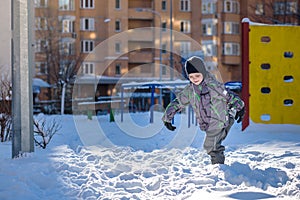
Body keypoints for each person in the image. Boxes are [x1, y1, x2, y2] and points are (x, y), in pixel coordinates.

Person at [162, 56, 245, 164]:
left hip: (220, 121)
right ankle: (231, 113)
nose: (194, 79)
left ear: (203, 73)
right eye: (191, 76)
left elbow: (228, 95)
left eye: (197, 75)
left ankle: (218, 168)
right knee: (212, 144)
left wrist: (240, 106)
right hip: (208, 124)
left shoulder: (214, 86)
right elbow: (178, 102)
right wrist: (167, 117)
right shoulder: (190, 91)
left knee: (212, 146)